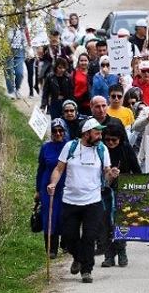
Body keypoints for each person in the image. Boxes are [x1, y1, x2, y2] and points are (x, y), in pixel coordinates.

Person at [47, 118, 120, 283]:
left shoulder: (101, 149)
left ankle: (87, 270)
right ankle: (79, 257)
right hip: (70, 200)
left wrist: (112, 174)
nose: (100, 136)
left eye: (100, 132)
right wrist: (52, 184)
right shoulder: (70, 147)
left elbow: (106, 175)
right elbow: (59, 169)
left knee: (89, 236)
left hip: (92, 200)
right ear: (87, 134)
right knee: (69, 236)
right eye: (97, 133)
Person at [100, 124, 141, 267]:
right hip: (103, 191)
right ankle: (108, 255)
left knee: (120, 222)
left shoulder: (126, 149)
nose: (110, 143)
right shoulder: (101, 150)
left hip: (122, 191)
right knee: (105, 224)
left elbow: (136, 171)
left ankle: (121, 251)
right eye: (107, 140)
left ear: (120, 139)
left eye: (114, 140)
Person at [35, 119, 68, 259]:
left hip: (65, 185)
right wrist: (38, 190)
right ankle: (51, 248)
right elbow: (41, 168)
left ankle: (65, 243)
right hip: (48, 185)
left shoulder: (70, 146)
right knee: (49, 216)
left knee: (64, 215)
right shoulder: (46, 147)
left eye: (60, 131)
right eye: (55, 131)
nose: (58, 133)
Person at [71, 50, 92, 116]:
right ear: (78, 62)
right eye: (81, 61)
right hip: (77, 103)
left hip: (89, 104)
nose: (83, 63)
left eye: (85, 61)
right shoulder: (74, 74)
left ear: (88, 62)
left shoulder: (92, 73)